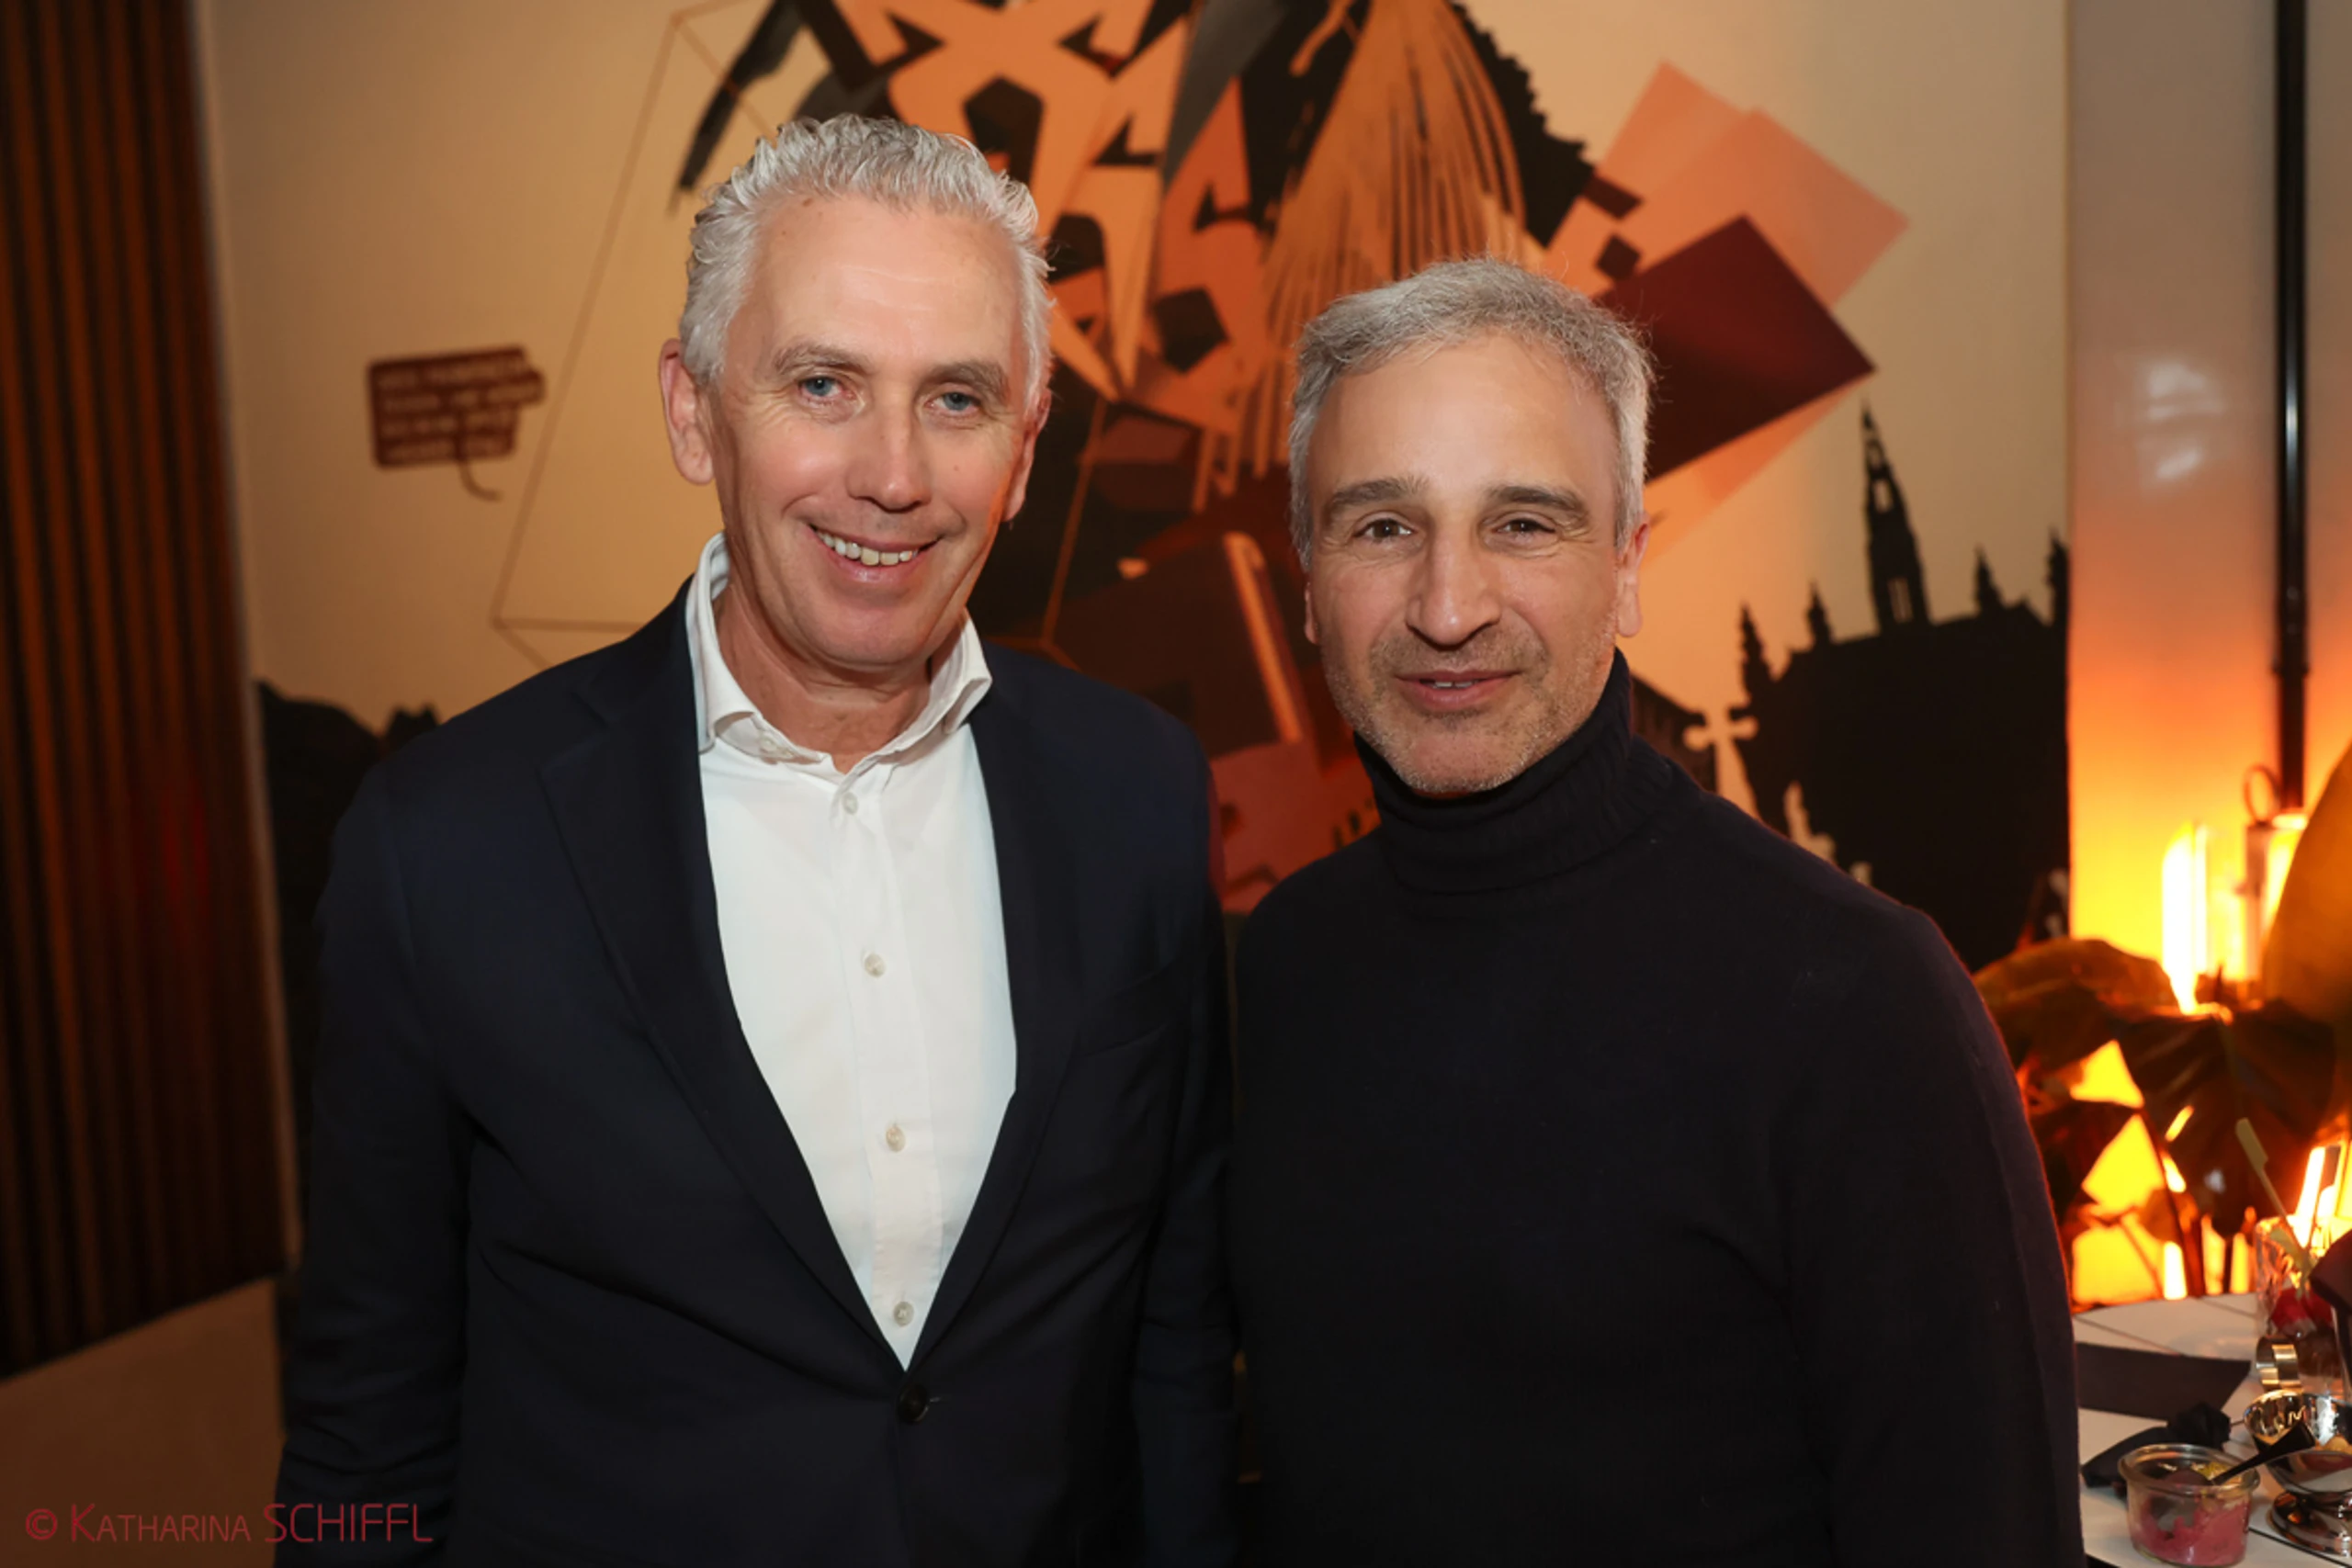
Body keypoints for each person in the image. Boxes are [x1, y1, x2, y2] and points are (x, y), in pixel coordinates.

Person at [276, 117, 1236, 1567]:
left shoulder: (1138, 795)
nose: (893, 473)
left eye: (958, 398)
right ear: (693, 412)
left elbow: (1173, 1341)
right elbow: (369, 1435)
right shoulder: (447, 847)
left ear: (1027, 449)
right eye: (823, 384)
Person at [1227, 258, 2079, 1563]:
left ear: (1626, 566)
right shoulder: (1280, 968)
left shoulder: (1859, 1004)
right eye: (1383, 527)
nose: (1448, 609)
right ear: (1308, 580)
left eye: (1525, 524)